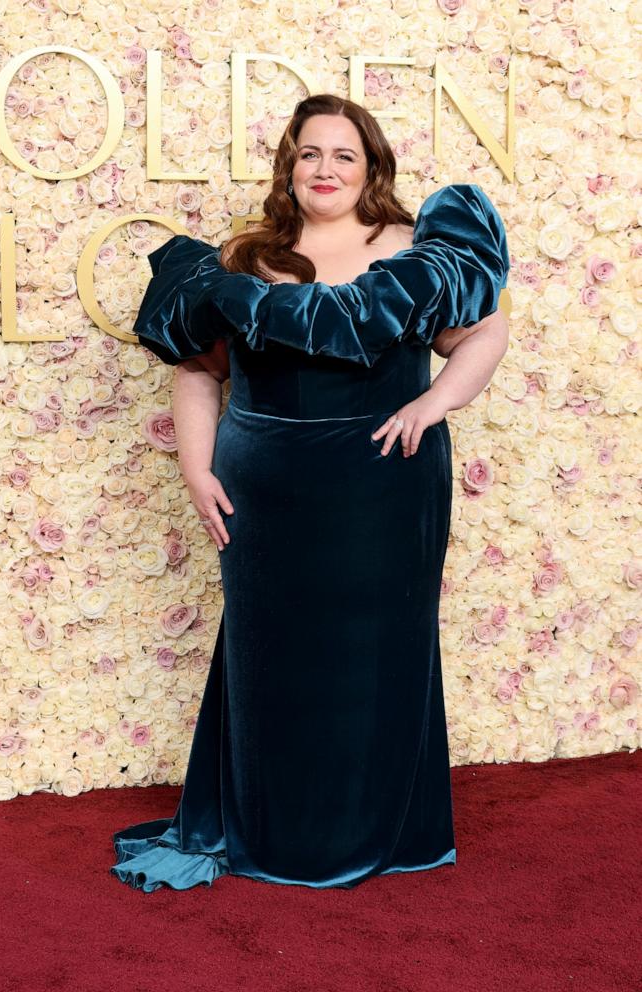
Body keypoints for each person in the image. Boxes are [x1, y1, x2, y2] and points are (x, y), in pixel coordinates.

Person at [109, 93, 510, 892]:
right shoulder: (244, 256)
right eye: (309, 153)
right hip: (266, 492)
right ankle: (273, 827)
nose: (324, 169)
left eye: (343, 155)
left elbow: (483, 331)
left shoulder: (417, 250)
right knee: (271, 661)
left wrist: (435, 403)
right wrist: (196, 469)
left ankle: (380, 832)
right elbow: (197, 368)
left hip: (386, 487)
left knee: (377, 657)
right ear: (289, 167)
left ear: (371, 170)